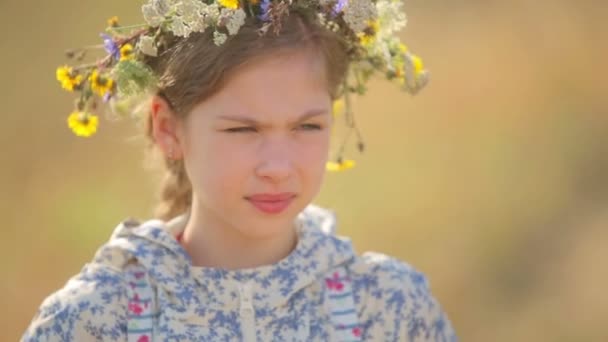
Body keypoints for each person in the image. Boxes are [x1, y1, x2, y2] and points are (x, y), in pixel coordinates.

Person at [24, 0, 456, 340]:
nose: (278, 167)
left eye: (306, 126)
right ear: (168, 128)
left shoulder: (388, 310)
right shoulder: (95, 322)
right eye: (242, 130)